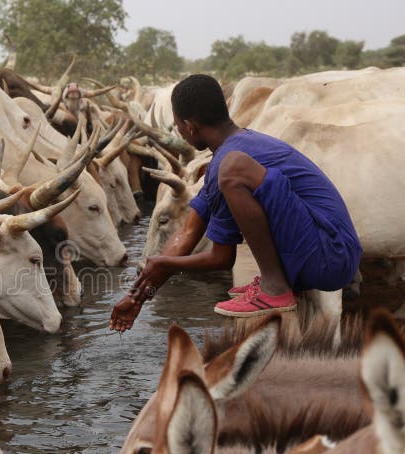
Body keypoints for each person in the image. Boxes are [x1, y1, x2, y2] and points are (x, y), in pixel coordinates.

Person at [109, 74, 361, 331]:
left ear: (190, 125)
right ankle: (274, 282)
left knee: (232, 166)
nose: (180, 132)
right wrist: (136, 297)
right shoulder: (232, 151)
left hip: (331, 254)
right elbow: (187, 232)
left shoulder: (230, 164)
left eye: (178, 125)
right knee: (230, 167)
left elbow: (221, 258)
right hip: (331, 252)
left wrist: (165, 263)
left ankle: (273, 287)